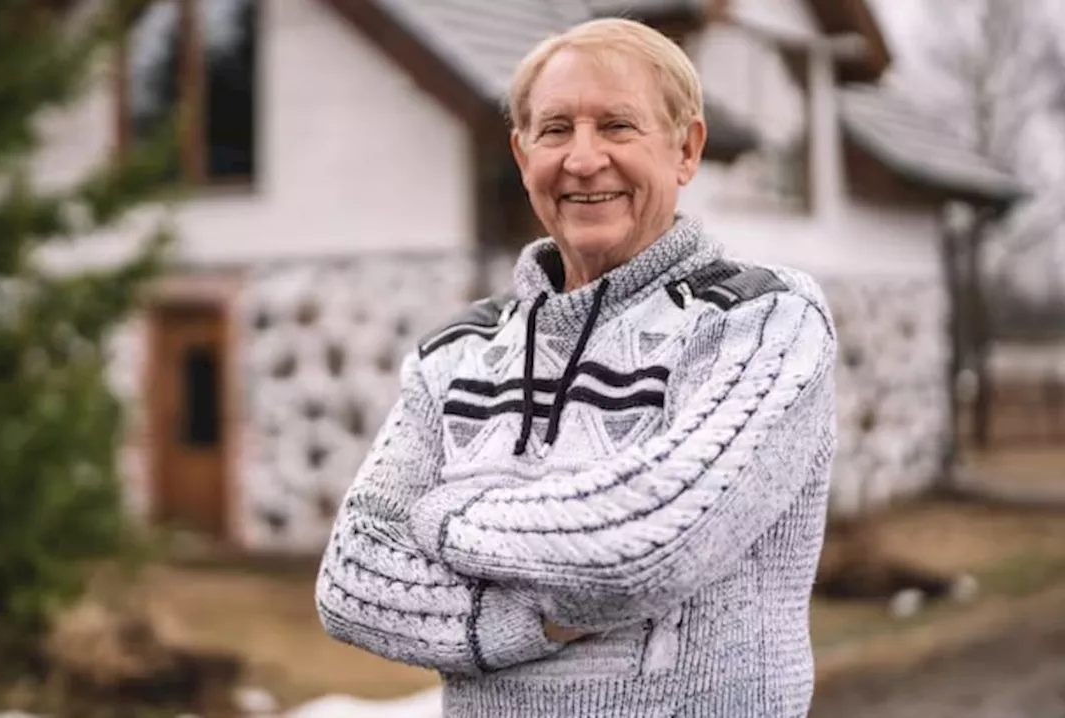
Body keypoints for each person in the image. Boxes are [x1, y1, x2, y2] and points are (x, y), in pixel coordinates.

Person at [315, 15, 837, 718]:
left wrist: (440, 516)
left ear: (687, 149)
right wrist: (530, 622)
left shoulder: (762, 319)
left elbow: (647, 545)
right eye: (555, 129)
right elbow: (354, 580)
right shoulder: (455, 352)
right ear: (522, 152)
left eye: (618, 127)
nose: (584, 160)